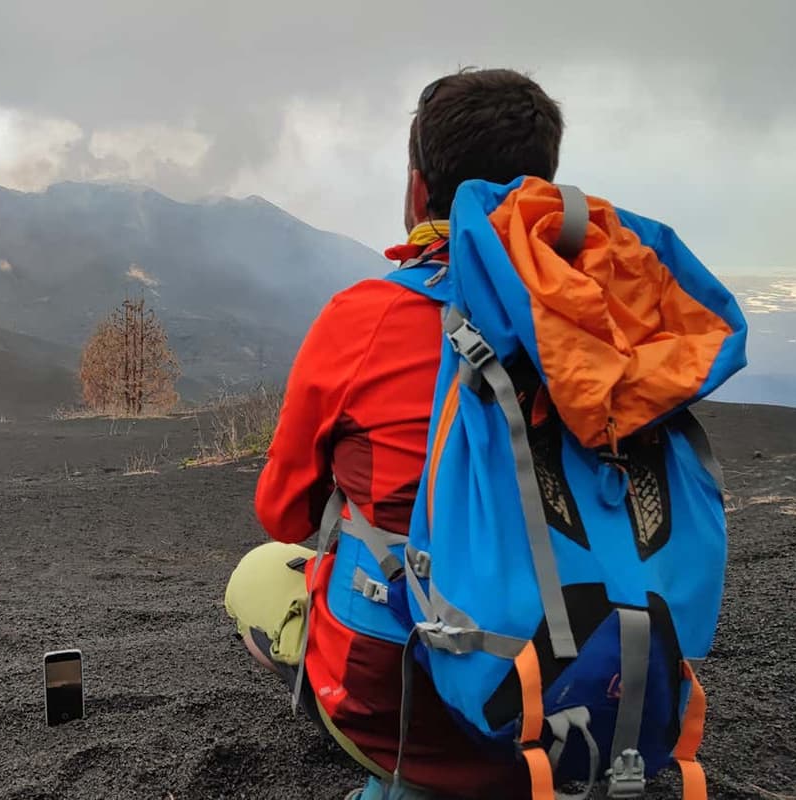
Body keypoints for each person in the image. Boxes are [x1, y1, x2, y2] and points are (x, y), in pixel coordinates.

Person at [224, 68, 566, 800]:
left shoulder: (365, 318)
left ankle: (406, 785)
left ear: (418, 189)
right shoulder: (596, 322)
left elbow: (283, 514)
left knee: (257, 577)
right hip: (590, 693)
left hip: (409, 707)